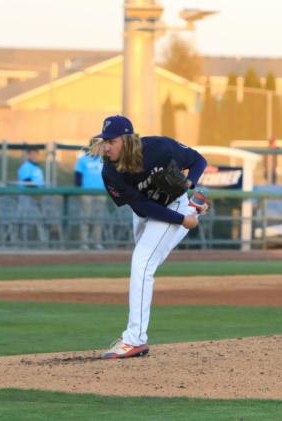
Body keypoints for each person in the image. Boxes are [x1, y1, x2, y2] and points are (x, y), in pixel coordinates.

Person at [89, 115, 207, 359]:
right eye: (105, 141)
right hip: (148, 212)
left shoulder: (159, 148)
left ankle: (135, 340)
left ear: (127, 139)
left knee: (142, 264)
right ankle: (194, 210)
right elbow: (142, 208)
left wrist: (188, 184)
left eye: (111, 141)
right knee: (146, 262)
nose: (106, 146)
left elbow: (198, 160)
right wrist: (184, 220)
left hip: (173, 203)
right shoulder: (110, 171)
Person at [75, 147, 107, 250]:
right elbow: (77, 176)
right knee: (85, 218)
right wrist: (79, 191)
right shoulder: (83, 159)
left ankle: (97, 242)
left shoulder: (103, 159)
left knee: (99, 218)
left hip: (100, 193)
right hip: (86, 193)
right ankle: (84, 243)